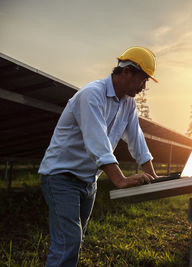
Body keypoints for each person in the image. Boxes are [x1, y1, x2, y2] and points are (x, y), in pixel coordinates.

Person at [38, 46, 159, 266]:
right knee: (68, 242)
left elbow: (136, 139)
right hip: (61, 176)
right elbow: (97, 141)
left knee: (74, 241)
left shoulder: (128, 103)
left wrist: (153, 176)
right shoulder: (91, 94)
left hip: (88, 182)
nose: (143, 87)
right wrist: (120, 179)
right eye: (142, 80)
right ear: (126, 72)